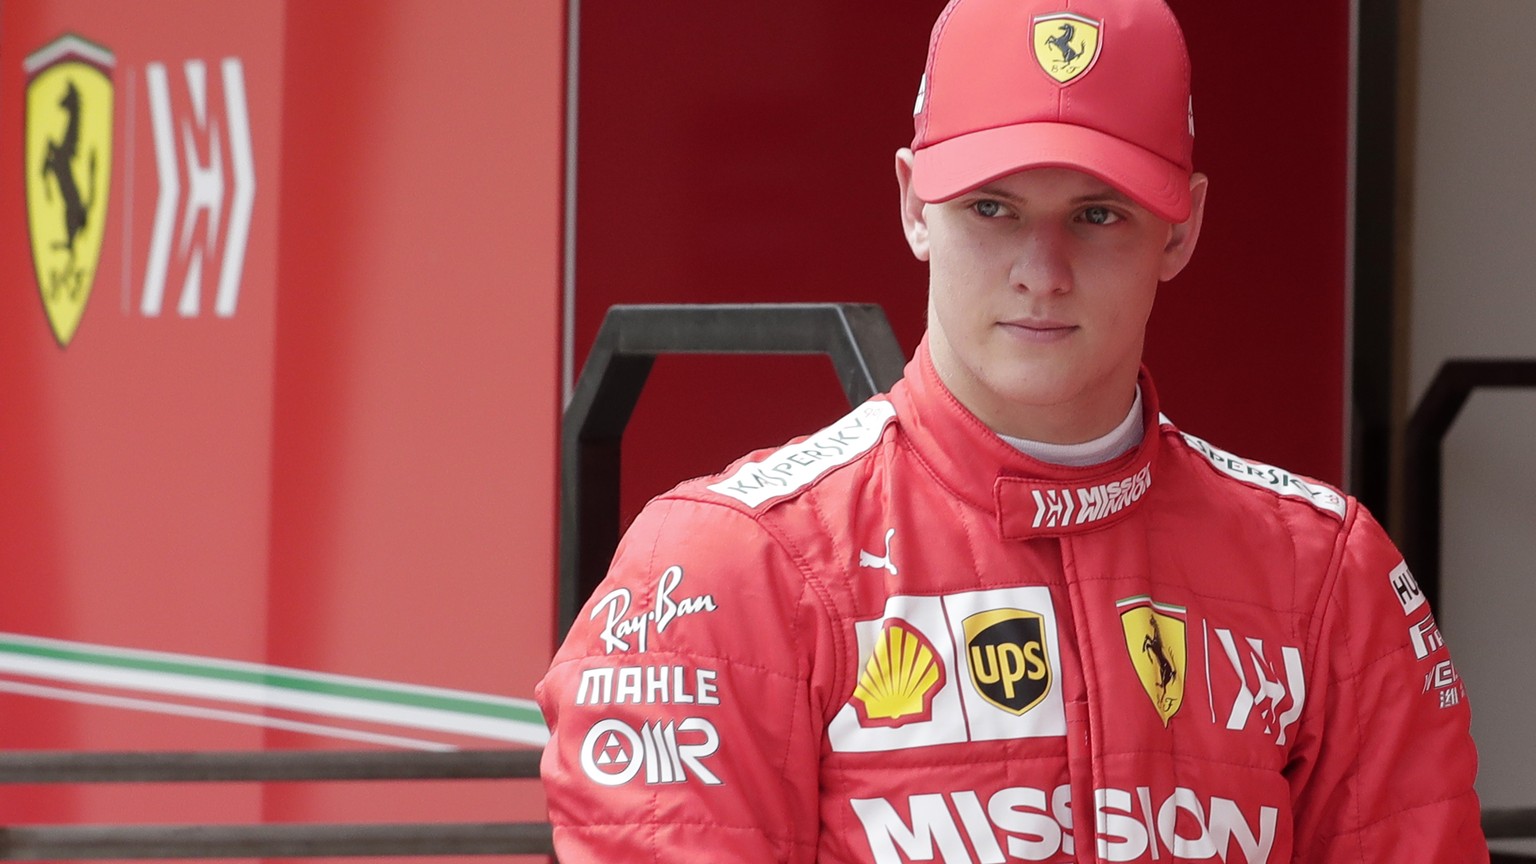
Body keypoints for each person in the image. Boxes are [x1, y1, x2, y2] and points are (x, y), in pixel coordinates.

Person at [536, 0, 1489, 860]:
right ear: (915, 205)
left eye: (1098, 214)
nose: (1043, 268)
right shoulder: (732, 566)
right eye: (992, 207)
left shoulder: (1325, 575)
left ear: (1182, 229)